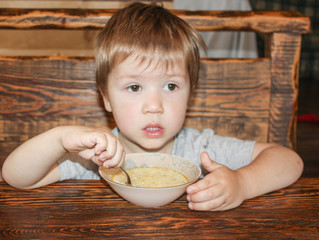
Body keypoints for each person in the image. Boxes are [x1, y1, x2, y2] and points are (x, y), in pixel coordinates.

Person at [2, 2, 303, 211]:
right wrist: (59, 138)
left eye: (171, 86)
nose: (155, 106)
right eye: (134, 87)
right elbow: (15, 178)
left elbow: (289, 161)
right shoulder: (96, 158)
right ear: (106, 98)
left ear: (190, 93)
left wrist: (242, 183)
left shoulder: (200, 150)